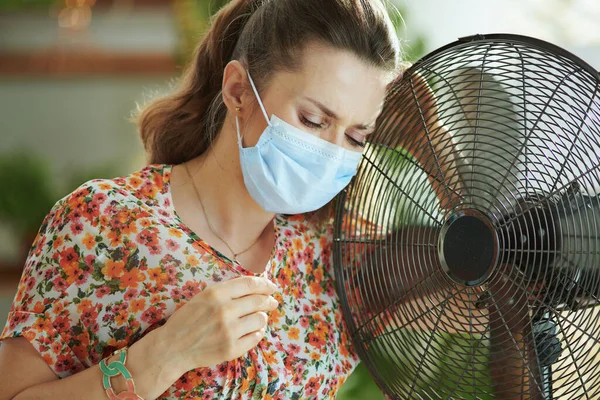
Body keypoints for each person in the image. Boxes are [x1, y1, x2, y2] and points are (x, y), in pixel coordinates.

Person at [0, 0, 401, 398]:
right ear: (238, 91)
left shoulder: (336, 259)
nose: (332, 152)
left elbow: (465, 296)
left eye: (355, 137)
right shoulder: (101, 221)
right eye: (313, 120)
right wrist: (164, 354)